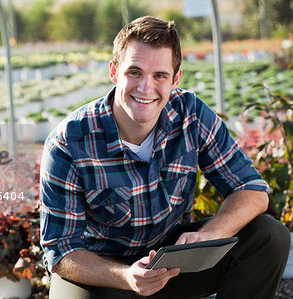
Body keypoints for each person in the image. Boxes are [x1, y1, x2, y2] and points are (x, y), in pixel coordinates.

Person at [39, 16, 290, 299]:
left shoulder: (191, 114)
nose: (146, 88)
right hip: (104, 270)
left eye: (159, 75)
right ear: (113, 71)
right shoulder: (69, 142)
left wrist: (212, 233)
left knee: (269, 236)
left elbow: (252, 190)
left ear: (176, 79)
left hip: (172, 262)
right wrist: (126, 277)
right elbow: (60, 250)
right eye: (134, 72)